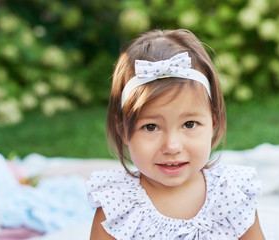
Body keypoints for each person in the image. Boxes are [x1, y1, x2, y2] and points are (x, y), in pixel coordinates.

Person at [87, 29, 265, 240]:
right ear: (124, 131)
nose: (172, 146)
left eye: (189, 124)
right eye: (151, 127)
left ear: (213, 125)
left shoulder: (231, 194)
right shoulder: (118, 205)